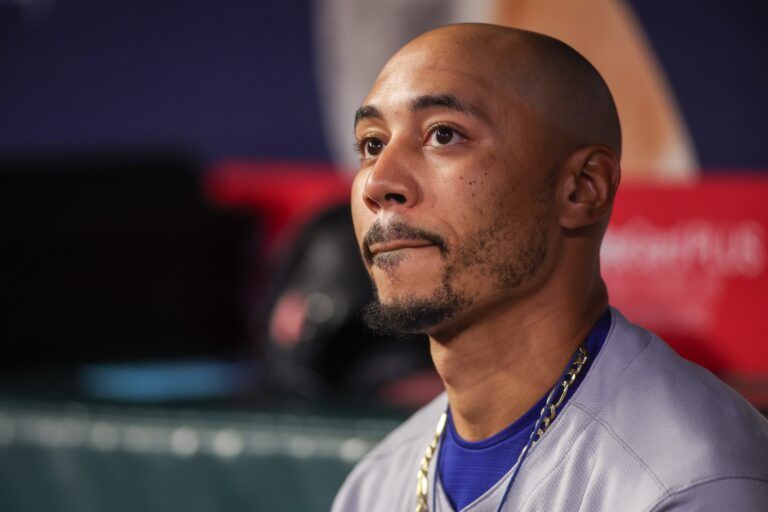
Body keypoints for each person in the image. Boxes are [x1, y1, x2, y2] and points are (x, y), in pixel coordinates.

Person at [332, 23, 768, 512]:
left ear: (583, 188)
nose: (379, 183)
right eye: (372, 144)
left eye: (444, 134)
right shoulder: (374, 485)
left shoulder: (689, 481)